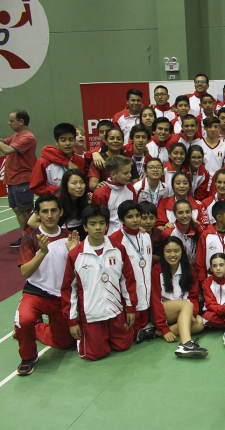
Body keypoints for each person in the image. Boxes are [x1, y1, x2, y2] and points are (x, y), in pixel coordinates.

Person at [61, 204, 138, 361]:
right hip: (92, 313)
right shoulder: (76, 255)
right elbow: (69, 290)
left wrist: (130, 308)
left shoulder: (118, 249)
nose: (98, 227)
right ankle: (40, 329)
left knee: (123, 346)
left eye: (102, 223)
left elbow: (128, 280)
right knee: (96, 354)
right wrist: (72, 321)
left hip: (116, 310)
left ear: (106, 225)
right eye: (93, 224)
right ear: (85, 227)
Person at [15, 195, 79, 375]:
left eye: (53, 211)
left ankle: (36, 328)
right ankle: (28, 357)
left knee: (64, 343)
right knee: (23, 320)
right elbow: (25, 272)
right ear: (37, 214)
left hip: (61, 297)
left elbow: (79, 270)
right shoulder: (30, 239)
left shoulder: (70, 237)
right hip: (36, 293)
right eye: (44, 211)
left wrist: (74, 252)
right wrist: (42, 253)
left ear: (60, 212)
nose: (49, 215)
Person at [151, 236, 208, 358]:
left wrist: (193, 313)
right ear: (163, 253)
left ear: (182, 251)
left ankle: (155, 332)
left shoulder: (190, 270)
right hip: (162, 312)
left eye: (176, 251)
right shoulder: (156, 271)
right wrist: (163, 327)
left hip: (182, 310)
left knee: (200, 323)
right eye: (168, 251)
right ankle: (186, 344)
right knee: (187, 306)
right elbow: (155, 301)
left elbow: (193, 296)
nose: (172, 255)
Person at [109, 201, 154, 342]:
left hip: (146, 295)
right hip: (129, 299)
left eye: (138, 216)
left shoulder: (146, 236)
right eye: (130, 217)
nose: (135, 220)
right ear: (122, 220)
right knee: (131, 337)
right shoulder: (115, 240)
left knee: (143, 330)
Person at [1, 110, 37, 247]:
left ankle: (32, 238)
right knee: (17, 209)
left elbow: (7, 150)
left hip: (22, 180)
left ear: (21, 122)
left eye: (12, 120)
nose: (9, 123)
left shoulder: (27, 138)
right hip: (12, 180)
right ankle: (25, 237)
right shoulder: (16, 136)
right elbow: (4, 143)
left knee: (26, 210)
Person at [30, 123, 85, 196]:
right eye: (63, 140)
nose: (68, 143)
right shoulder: (43, 163)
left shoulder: (81, 161)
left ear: (75, 140)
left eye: (71, 140)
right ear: (57, 142)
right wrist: (62, 190)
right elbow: (35, 187)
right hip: (55, 201)